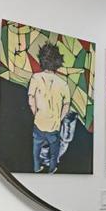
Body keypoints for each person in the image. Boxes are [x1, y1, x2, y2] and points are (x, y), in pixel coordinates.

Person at [28, 42, 71, 173]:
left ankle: (36, 168)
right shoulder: (63, 83)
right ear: (58, 62)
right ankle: (52, 170)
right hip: (54, 126)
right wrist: (59, 118)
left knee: (36, 151)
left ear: (42, 60)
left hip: (39, 123)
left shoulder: (35, 77)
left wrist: (36, 113)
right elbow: (67, 104)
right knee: (54, 153)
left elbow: (31, 100)